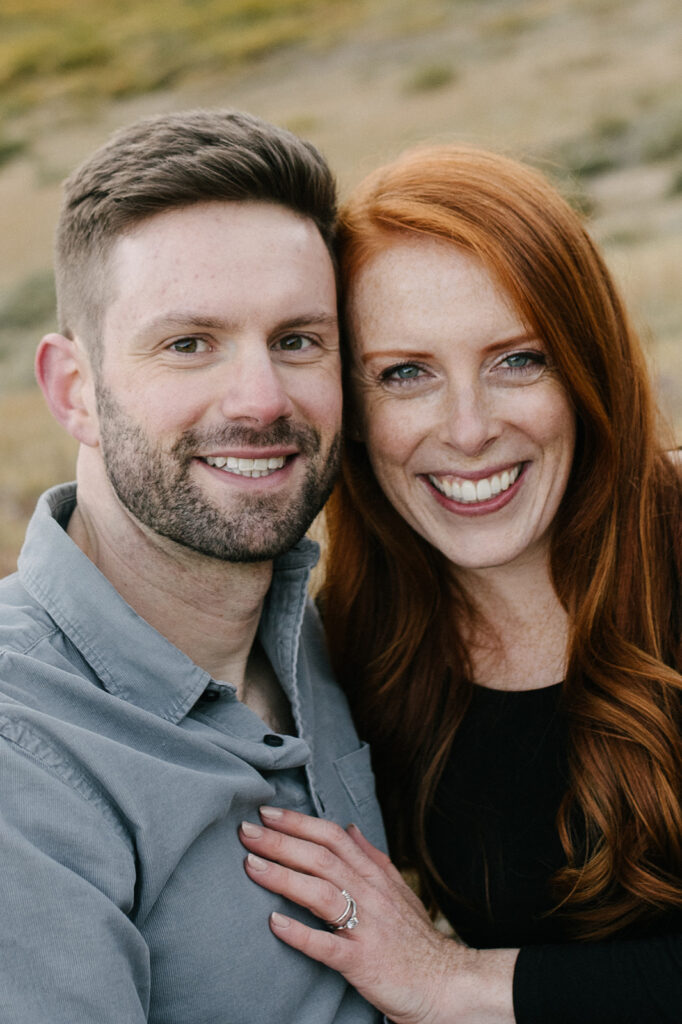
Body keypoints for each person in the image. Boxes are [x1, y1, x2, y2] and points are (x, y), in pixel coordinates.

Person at [239, 144, 682, 1023]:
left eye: (518, 359)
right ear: (349, 412)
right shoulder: (357, 651)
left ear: (584, 362)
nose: (469, 429)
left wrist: (457, 982)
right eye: (406, 374)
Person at [0, 109, 386, 1023]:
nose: (260, 401)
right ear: (75, 390)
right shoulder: (24, 756)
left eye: (297, 340)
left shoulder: (329, 646)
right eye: (188, 344)